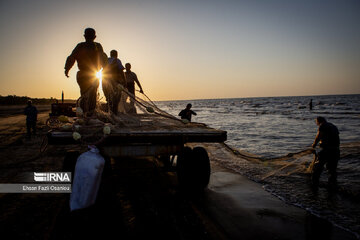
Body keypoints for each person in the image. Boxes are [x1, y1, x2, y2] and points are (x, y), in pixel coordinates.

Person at [64, 28, 107, 116]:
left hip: (82, 75)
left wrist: (67, 69)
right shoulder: (97, 46)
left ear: (84, 36)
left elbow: (71, 58)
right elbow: (103, 58)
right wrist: (106, 70)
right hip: (94, 75)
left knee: (84, 94)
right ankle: (90, 114)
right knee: (92, 95)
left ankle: (85, 114)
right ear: (95, 37)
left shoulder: (80, 46)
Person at [311, 116, 340, 189]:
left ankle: (314, 184)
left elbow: (318, 136)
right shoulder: (333, 126)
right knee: (332, 169)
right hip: (336, 150)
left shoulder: (322, 126)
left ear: (318, 121)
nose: (316, 124)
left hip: (326, 150)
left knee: (317, 168)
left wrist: (314, 145)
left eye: (316, 122)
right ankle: (332, 185)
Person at [103, 50, 125, 114]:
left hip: (105, 80)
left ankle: (109, 110)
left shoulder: (106, 60)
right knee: (116, 96)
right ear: (116, 54)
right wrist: (124, 81)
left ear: (110, 54)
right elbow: (121, 71)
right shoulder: (117, 60)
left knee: (108, 96)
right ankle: (114, 111)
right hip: (115, 81)